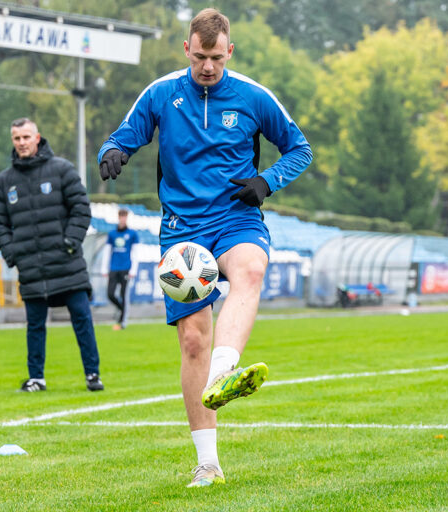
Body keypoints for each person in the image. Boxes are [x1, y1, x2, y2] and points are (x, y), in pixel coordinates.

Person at [98, 8, 312, 487]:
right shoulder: (161, 93)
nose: (208, 66)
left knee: (251, 269)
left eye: (216, 57)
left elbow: (300, 148)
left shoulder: (255, 96)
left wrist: (266, 181)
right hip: (182, 230)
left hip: (237, 216)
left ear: (229, 51)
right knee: (193, 339)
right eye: (199, 57)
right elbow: (122, 137)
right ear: (186, 50)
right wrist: (112, 152)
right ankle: (208, 463)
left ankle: (224, 371)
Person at [0, 118, 104, 393]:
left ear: (37, 138)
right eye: (17, 138)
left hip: (67, 263)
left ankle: (92, 375)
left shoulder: (62, 169)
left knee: (82, 319)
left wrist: (70, 242)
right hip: (31, 267)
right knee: (35, 325)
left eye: (26, 137)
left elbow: (81, 208)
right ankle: (37, 378)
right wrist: (13, 254)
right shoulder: (5, 181)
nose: (22, 143)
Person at [106, 208, 139, 330]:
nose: (123, 219)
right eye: (121, 216)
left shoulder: (132, 234)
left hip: (126, 268)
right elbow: (107, 252)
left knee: (124, 295)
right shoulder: (112, 234)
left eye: (125, 216)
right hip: (114, 268)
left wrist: (133, 270)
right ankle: (122, 309)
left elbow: (135, 252)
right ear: (118, 217)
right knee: (110, 294)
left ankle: (123, 322)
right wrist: (105, 269)